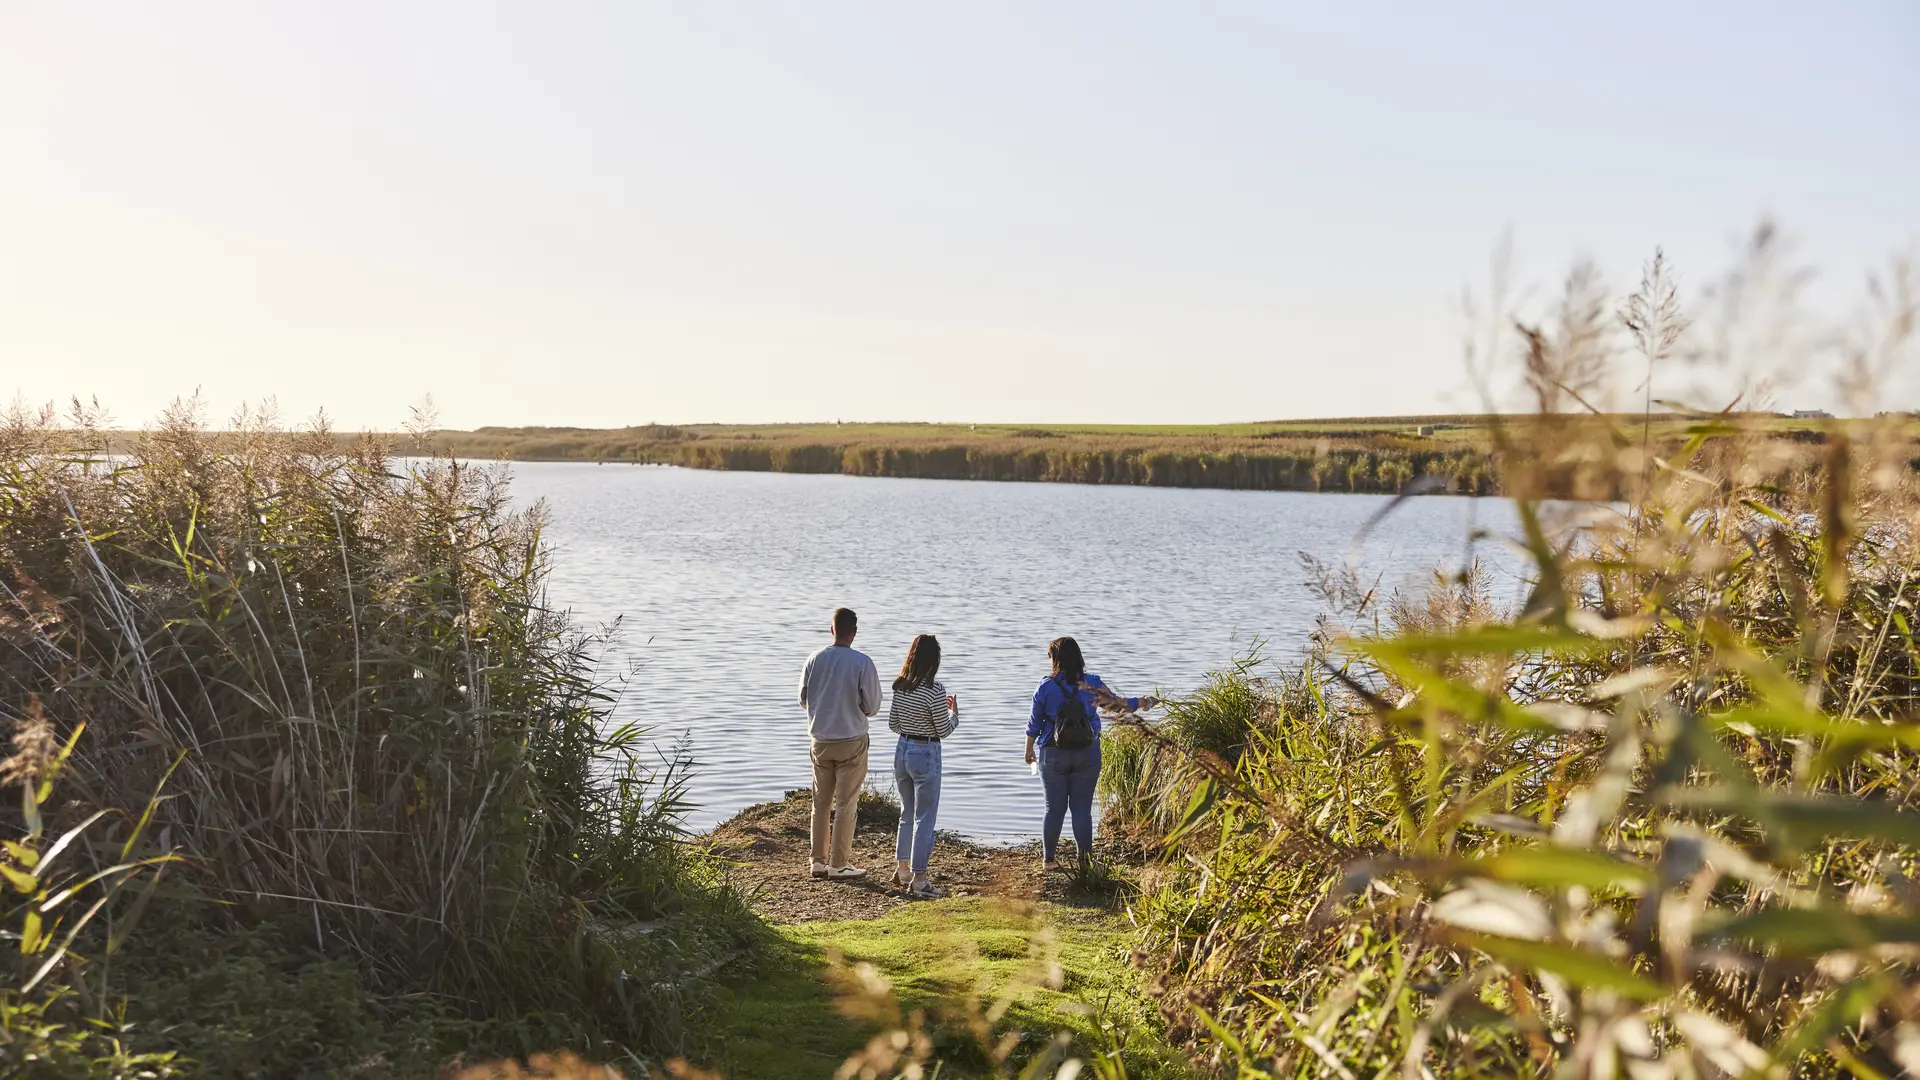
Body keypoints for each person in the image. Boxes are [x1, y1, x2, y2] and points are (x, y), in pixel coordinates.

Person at [1024, 636, 1158, 871]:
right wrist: (1143, 702)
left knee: (1053, 809)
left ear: (1055, 659)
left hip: (1052, 754)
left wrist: (1028, 750)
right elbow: (1117, 705)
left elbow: (1034, 724)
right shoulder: (1092, 683)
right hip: (1087, 752)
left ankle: (1049, 861)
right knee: (1082, 808)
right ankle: (1085, 861)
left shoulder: (1045, 687)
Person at [797, 607, 880, 880]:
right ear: (854, 633)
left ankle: (817, 861)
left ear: (832, 629)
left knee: (820, 803)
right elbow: (872, 707)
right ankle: (839, 863)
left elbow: (802, 699)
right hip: (851, 741)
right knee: (846, 803)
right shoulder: (862, 663)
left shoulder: (814, 659)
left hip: (819, 740)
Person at [887, 634, 958, 899]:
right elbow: (944, 730)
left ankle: (902, 868)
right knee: (925, 817)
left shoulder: (900, 686)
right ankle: (919, 879)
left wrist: (911, 722)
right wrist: (954, 715)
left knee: (906, 812)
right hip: (925, 752)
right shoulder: (935, 690)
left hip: (902, 749)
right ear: (934, 661)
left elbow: (893, 724)